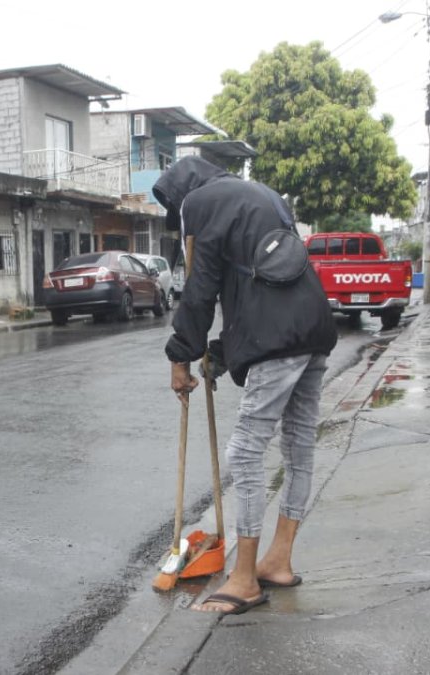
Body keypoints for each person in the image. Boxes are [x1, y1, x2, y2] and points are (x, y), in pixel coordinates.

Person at [153, 156, 338, 616]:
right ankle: (278, 560)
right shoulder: (263, 195)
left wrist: (182, 355)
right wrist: (218, 349)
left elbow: (201, 289)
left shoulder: (200, 203)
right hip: (314, 327)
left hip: (276, 339)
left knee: (246, 451)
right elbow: (261, 279)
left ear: (181, 196)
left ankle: (244, 579)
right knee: (298, 448)